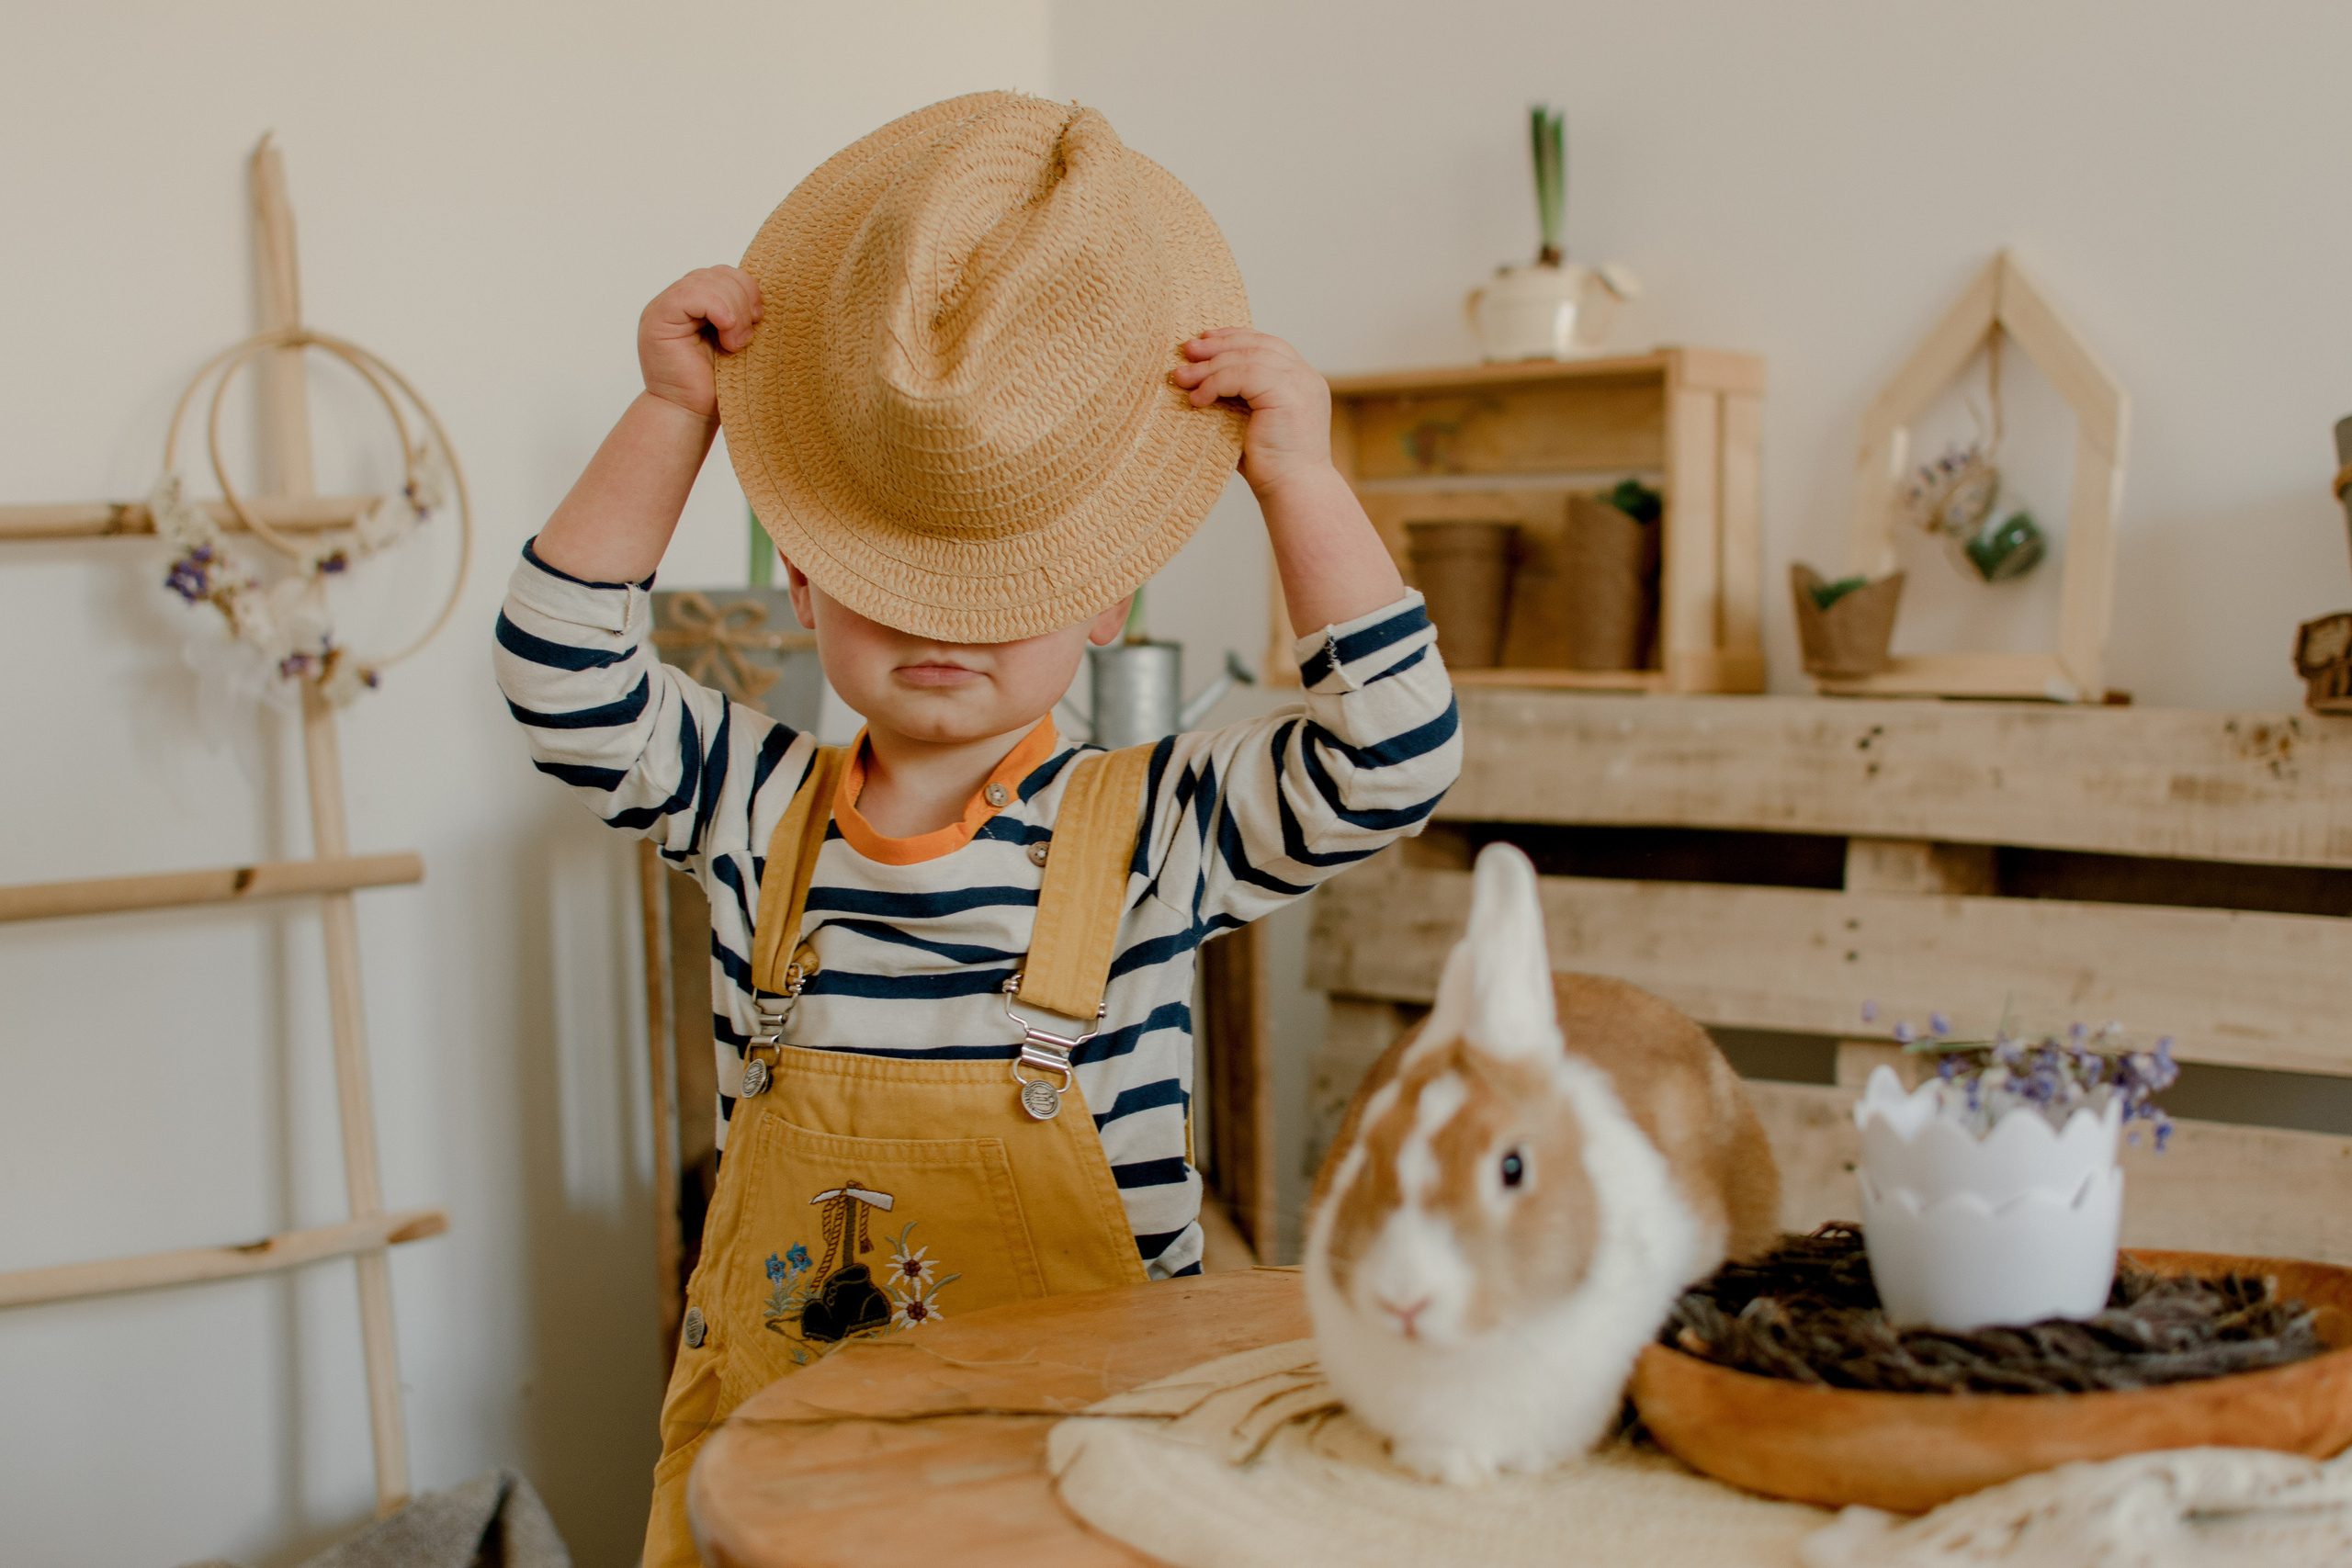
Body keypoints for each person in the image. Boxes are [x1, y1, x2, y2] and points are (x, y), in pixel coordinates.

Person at [492, 92, 1459, 1562]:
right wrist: (675, 413)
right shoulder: (751, 805)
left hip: (1080, 1465)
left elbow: (1393, 757)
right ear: (803, 581)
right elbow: (560, 671)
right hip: (797, 1470)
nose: (947, 627)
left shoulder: (1156, 830)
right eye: (894, 575)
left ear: (1107, 599)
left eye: (1007, 584)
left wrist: (1300, 480)